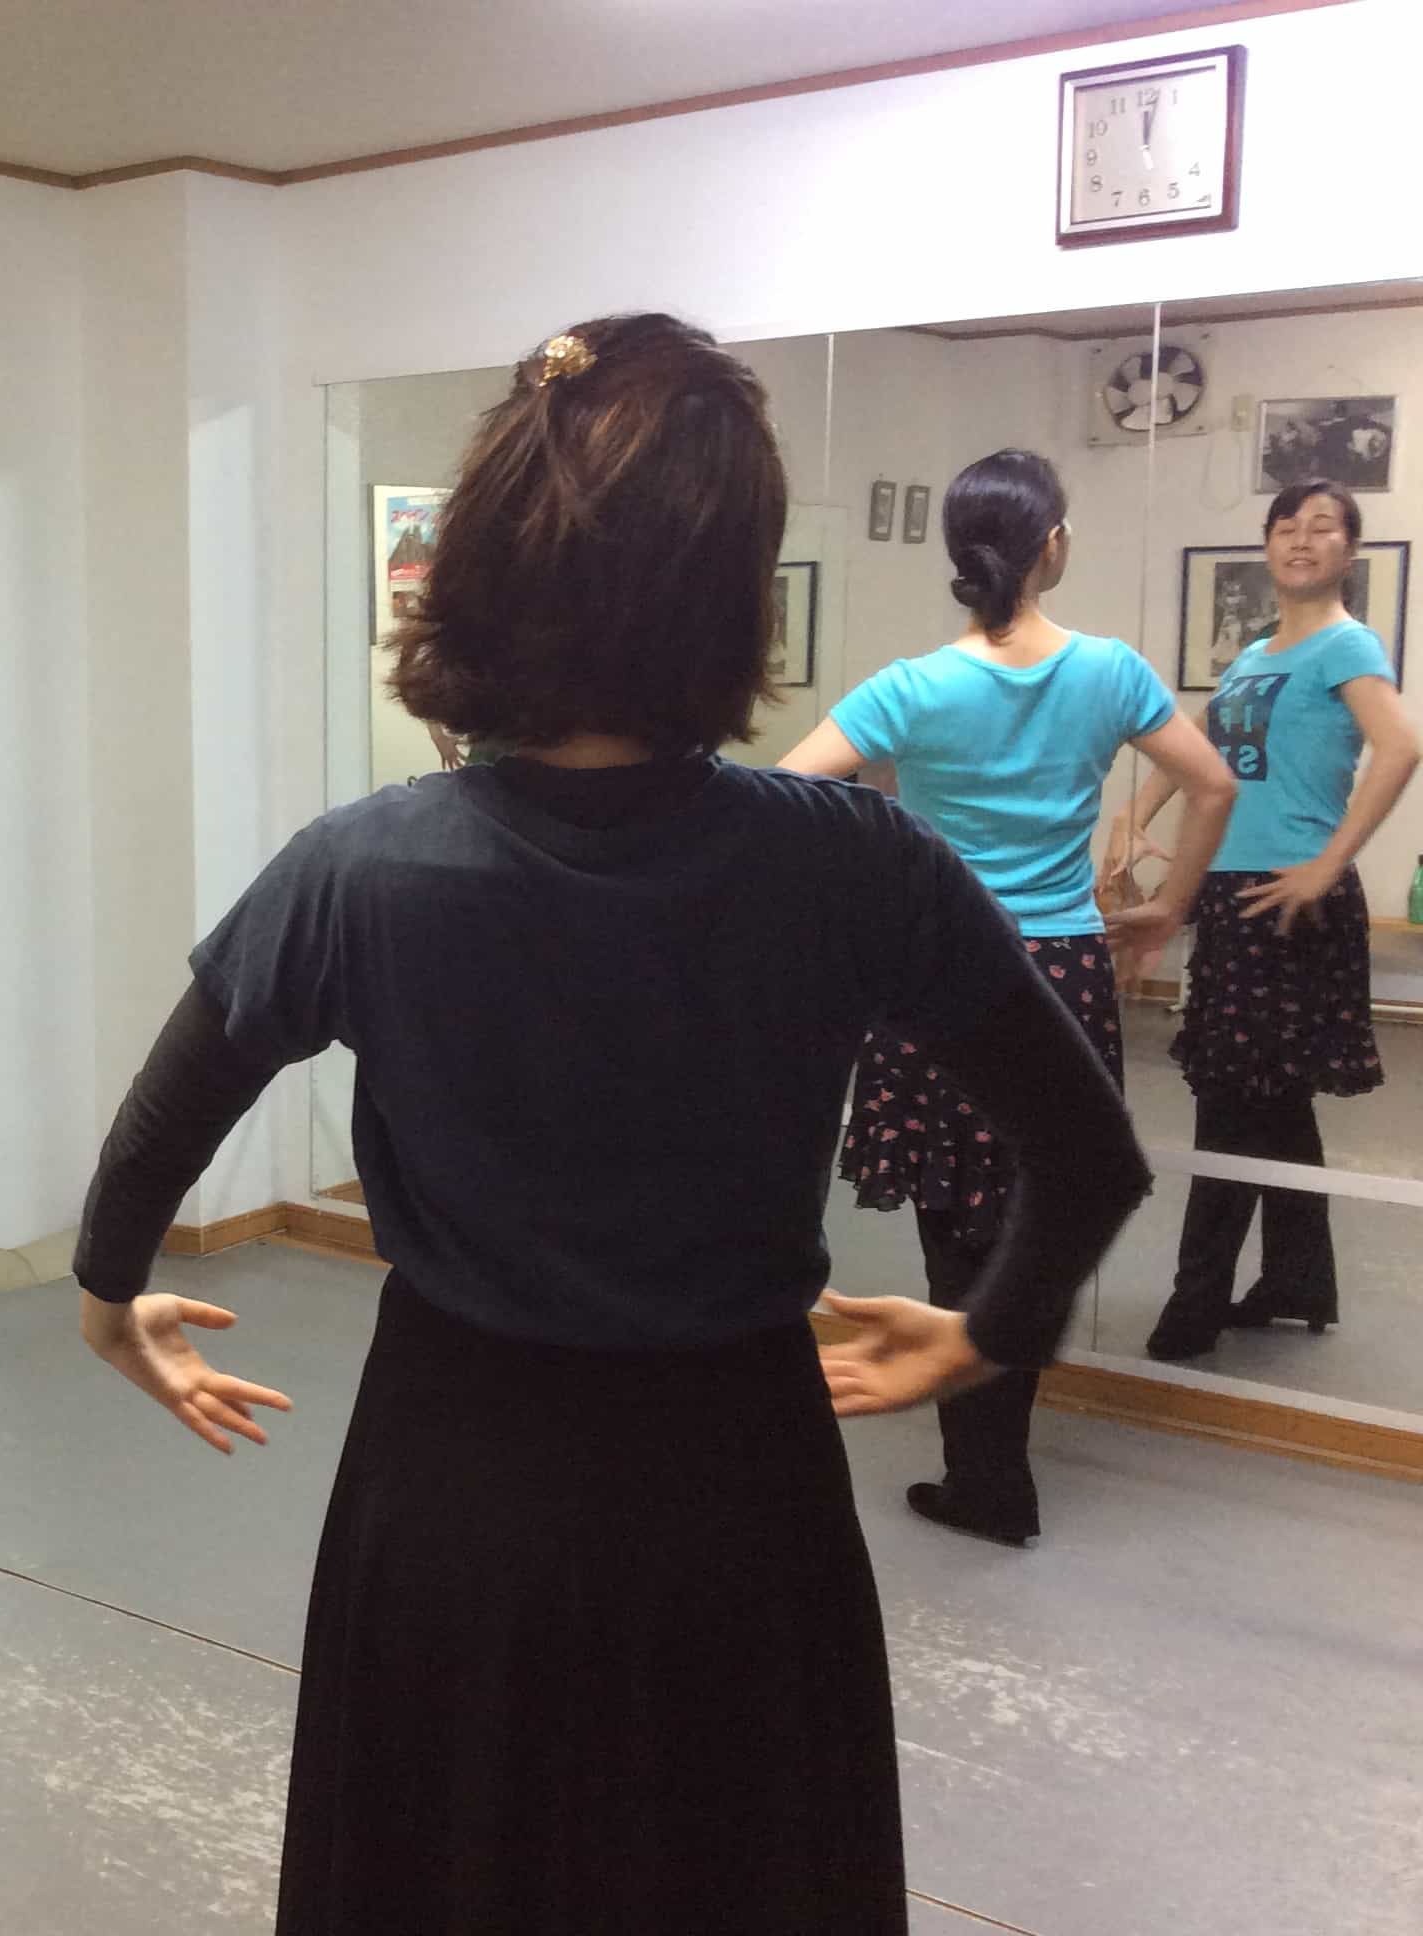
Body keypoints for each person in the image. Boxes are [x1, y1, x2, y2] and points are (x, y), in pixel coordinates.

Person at [72, 317, 1152, 1934]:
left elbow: (154, 1139)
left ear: (486, 561)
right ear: (733, 588)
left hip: (455, 1493)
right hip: (742, 1490)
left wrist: (112, 1302)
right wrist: (987, 1333)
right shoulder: (856, 865)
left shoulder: (360, 871)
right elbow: (1088, 1153)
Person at [778, 449, 1236, 1545]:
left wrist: (872, 879)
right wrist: (1168, 909)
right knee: (1039, 1204)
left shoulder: (912, 688)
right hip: (1062, 969)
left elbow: (785, 794)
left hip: (940, 966)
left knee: (954, 1219)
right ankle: (996, 1465)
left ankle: (984, 1475)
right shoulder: (1109, 672)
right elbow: (1214, 783)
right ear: (1053, 545)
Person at [1115, 481, 1419, 1359]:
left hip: (1287, 897)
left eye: (1322, 527)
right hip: (1232, 889)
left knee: (1232, 1102)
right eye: (1286, 526)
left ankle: (1196, 1299)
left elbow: (1400, 746)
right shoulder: (1256, 653)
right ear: (1267, 544)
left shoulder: (1345, 644)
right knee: (1272, 1100)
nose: (1301, 539)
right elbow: (1201, 741)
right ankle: (1298, 1279)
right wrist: (1136, 810)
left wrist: (1328, 863)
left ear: (1349, 550)